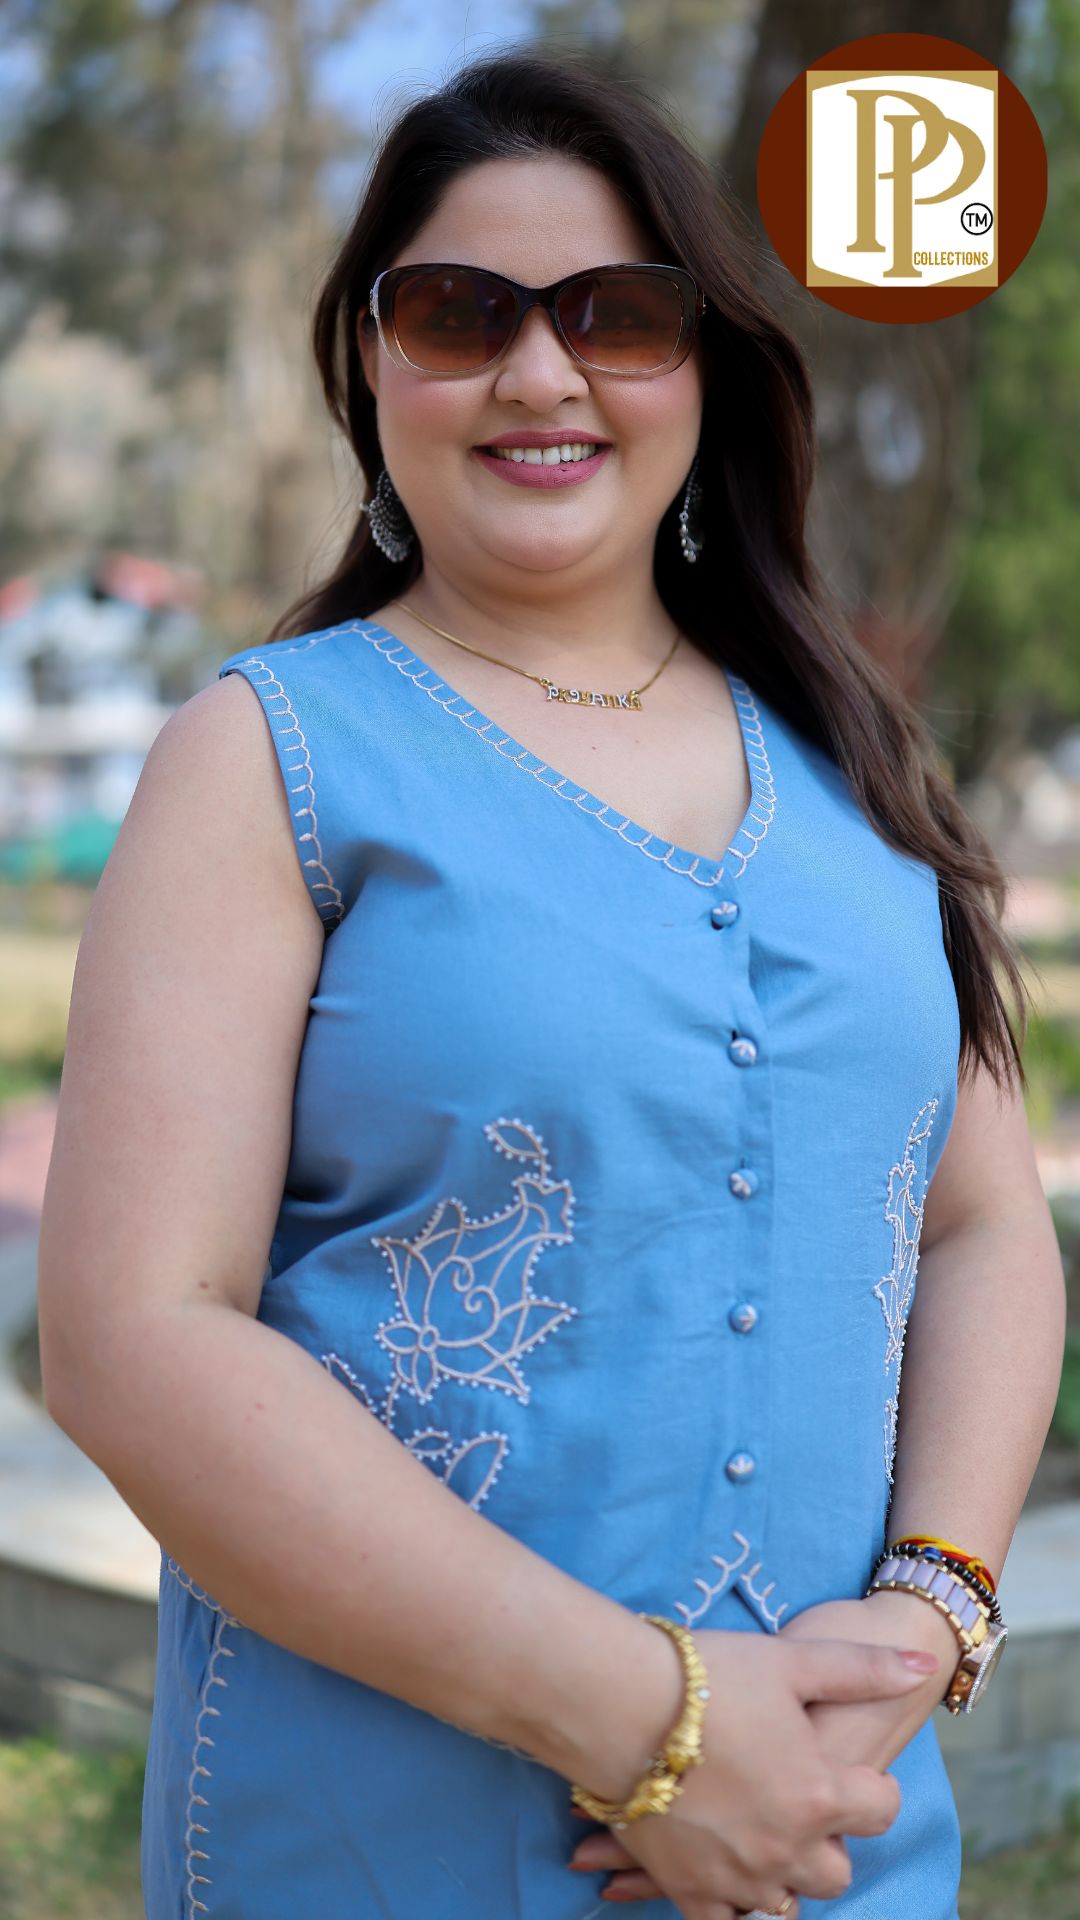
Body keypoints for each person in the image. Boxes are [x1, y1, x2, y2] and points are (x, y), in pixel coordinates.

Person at [36, 42, 1065, 1920]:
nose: (538, 371)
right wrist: (658, 1727)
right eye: (459, 312)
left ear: (705, 364)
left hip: (838, 1847)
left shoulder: (861, 767)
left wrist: (937, 1605)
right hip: (378, 1843)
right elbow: (135, 1335)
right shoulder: (269, 758)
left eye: (616, 314)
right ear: (371, 363)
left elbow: (980, 1226)